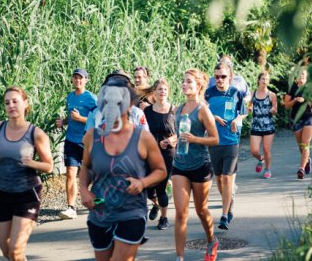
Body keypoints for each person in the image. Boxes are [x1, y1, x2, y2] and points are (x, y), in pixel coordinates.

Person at [79, 77, 166, 261]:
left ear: (129, 105)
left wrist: (142, 183)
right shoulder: (92, 136)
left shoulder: (143, 138)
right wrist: (84, 190)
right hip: (100, 213)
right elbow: (86, 166)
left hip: (131, 212)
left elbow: (160, 170)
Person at [0, 86, 54, 260]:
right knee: (6, 249)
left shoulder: (36, 133)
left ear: (25, 104)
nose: (11, 105)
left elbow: (49, 166)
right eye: (7, 103)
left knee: (16, 249)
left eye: (15, 101)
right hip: (1, 192)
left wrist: (32, 163)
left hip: (27, 193)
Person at [173, 69, 220, 261]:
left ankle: (211, 241)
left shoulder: (203, 110)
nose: (185, 85)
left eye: (189, 82)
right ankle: (180, 257)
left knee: (201, 210)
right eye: (183, 81)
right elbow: (179, 135)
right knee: (180, 213)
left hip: (200, 165)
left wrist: (195, 139)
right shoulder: (178, 109)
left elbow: (215, 139)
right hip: (179, 165)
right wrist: (172, 140)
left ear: (198, 86)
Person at [205, 63, 248, 230]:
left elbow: (243, 111)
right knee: (219, 178)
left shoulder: (235, 92)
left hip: (231, 141)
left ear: (229, 77)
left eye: (223, 76)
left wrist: (237, 120)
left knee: (227, 177)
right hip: (214, 140)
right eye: (216, 77)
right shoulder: (209, 93)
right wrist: (214, 117)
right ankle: (228, 203)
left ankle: (224, 216)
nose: (220, 80)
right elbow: (203, 112)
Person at [57, 68, 98, 220]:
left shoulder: (91, 98)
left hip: (87, 141)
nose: (77, 80)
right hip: (71, 140)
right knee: (70, 173)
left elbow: (98, 119)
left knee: (94, 174)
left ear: (86, 80)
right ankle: (71, 208)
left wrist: (80, 118)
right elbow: (71, 116)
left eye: (80, 78)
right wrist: (64, 122)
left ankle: (97, 198)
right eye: (75, 78)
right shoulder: (70, 97)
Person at [143, 78, 177, 230]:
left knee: (161, 187)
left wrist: (171, 140)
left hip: (167, 153)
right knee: (149, 189)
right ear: (154, 93)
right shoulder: (147, 111)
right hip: (149, 153)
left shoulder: (174, 110)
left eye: (165, 89)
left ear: (168, 91)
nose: (162, 91)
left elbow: (181, 132)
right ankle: (156, 204)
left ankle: (164, 218)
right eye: (159, 89)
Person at [283, 69, 312, 179]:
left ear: (306, 76)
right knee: (301, 146)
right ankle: (307, 160)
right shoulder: (292, 88)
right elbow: (286, 105)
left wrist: (306, 99)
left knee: (305, 144)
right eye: (299, 74)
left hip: (309, 117)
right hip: (296, 118)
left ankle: (301, 168)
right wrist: (295, 100)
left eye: (303, 74)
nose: (301, 76)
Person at [248, 72, 277, 179]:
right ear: (259, 80)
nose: (265, 81)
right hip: (256, 125)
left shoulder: (272, 95)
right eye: (263, 79)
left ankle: (267, 169)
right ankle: (261, 159)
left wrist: (273, 110)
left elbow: (275, 108)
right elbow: (249, 105)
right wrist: (249, 108)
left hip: (268, 125)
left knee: (266, 149)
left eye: (267, 79)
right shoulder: (252, 93)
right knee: (254, 150)